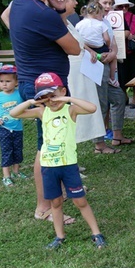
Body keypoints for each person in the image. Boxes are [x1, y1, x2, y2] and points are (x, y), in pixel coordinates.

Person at [7, 0, 81, 224]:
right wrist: (60, 15)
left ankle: (49, 199)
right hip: (45, 91)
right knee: (46, 147)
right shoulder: (42, 13)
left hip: (32, 82)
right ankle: (44, 207)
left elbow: (6, 18)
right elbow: (74, 47)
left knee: (49, 141)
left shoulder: (18, 4)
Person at [10, 72, 106, 249]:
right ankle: (60, 237)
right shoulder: (41, 111)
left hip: (68, 165)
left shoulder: (70, 110)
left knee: (80, 201)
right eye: (45, 98)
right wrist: (31, 102)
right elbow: (14, 113)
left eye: (53, 95)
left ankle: (96, 233)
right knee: (55, 202)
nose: (50, 101)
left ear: (62, 91)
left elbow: (92, 108)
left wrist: (68, 98)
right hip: (48, 166)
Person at [57, 0, 106, 146]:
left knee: (85, 113)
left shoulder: (68, 21)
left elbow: (76, 41)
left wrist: (88, 50)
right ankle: (70, 158)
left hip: (82, 70)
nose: (76, 3)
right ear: (62, 0)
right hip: (72, 74)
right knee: (73, 113)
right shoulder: (56, 22)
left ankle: (75, 156)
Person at [92, 0, 132, 150]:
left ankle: (117, 136)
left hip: (109, 66)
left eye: (110, 3)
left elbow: (113, 42)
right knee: (101, 105)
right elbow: (83, 44)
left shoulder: (106, 20)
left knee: (118, 98)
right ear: (96, 4)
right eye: (105, 3)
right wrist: (102, 56)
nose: (108, 6)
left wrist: (113, 53)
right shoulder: (89, 21)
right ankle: (99, 144)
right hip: (96, 67)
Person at [0, 64, 26, 187]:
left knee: (17, 151)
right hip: (4, 129)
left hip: (17, 129)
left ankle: (16, 172)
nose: (4, 84)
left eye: (8, 81)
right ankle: (6, 176)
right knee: (6, 151)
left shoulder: (20, 93)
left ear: (16, 82)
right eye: (1, 81)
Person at [76, 0, 119, 88]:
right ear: (97, 14)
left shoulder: (79, 24)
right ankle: (112, 78)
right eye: (101, 15)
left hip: (86, 49)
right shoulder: (101, 24)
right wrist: (108, 45)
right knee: (114, 58)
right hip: (100, 48)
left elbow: (77, 37)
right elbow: (107, 38)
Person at [112, 0, 135, 109]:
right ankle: (124, 96)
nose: (124, 9)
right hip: (119, 52)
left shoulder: (132, 17)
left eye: (126, 6)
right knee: (121, 76)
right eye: (121, 6)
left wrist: (133, 36)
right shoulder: (112, 18)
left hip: (131, 51)